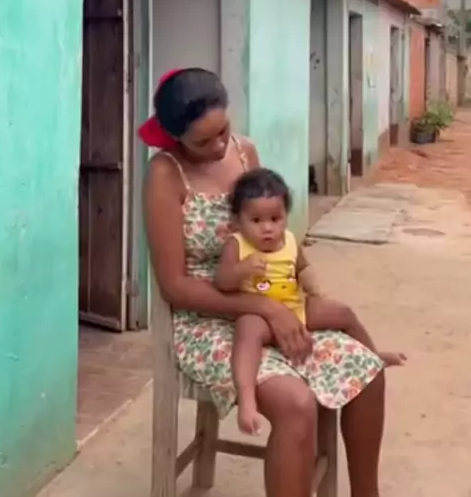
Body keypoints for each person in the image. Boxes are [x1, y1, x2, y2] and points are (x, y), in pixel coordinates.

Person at [142, 67, 387, 497]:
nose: (220, 147)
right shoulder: (165, 174)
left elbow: (271, 229)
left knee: (366, 369)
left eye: (223, 131)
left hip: (269, 300)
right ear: (175, 136)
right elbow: (174, 286)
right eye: (203, 142)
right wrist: (262, 308)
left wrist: (288, 294)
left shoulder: (244, 152)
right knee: (296, 403)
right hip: (206, 323)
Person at [216, 166, 406, 435]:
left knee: (342, 313)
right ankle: (247, 400)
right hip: (259, 315)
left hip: (295, 308)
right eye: (256, 220)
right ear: (238, 221)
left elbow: (303, 270)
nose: (267, 228)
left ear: (285, 216)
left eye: (275, 219)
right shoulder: (237, 244)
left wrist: (317, 295)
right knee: (247, 331)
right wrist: (241, 270)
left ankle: (373, 354)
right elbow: (222, 282)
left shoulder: (289, 241)